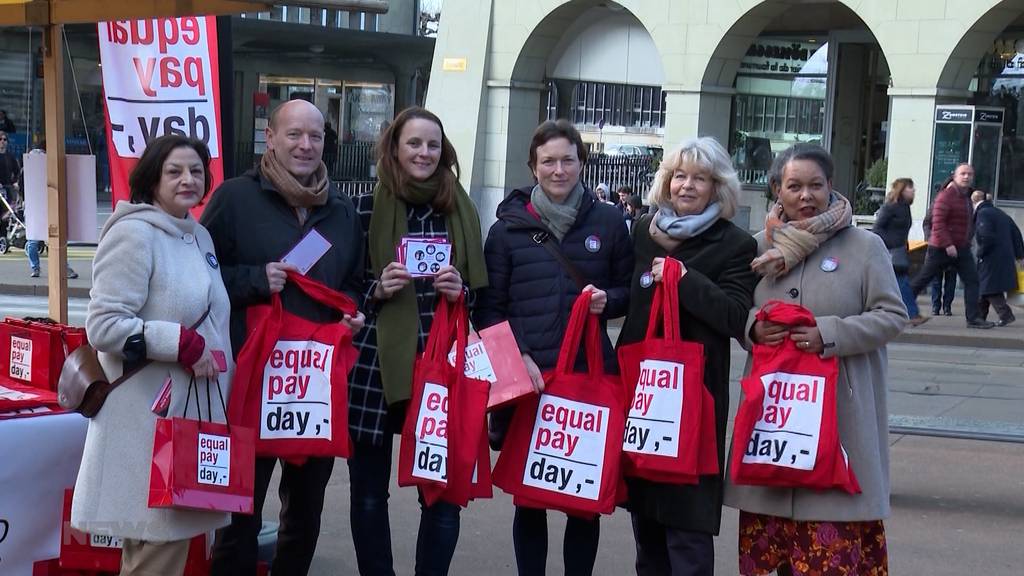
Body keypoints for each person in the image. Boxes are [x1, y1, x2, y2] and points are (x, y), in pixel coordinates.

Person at [725, 143, 907, 576]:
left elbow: (892, 315)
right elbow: (732, 309)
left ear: (831, 188)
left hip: (839, 425)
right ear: (777, 190)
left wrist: (830, 333)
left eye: (815, 185)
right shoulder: (755, 248)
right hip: (776, 423)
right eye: (794, 186)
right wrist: (750, 327)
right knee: (777, 560)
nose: (805, 196)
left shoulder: (865, 247)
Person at [202, 99, 366, 576]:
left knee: (305, 514)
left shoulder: (341, 209)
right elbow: (201, 278)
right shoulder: (234, 198)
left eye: (315, 136)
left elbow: (354, 282)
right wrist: (255, 279)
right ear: (269, 137)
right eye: (294, 134)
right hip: (251, 380)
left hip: (313, 386)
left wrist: (352, 314)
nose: (306, 145)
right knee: (239, 513)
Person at [474, 119, 632, 576]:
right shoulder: (507, 231)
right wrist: (517, 357)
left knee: (583, 498)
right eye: (548, 161)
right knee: (532, 496)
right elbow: (489, 309)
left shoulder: (608, 221)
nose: (558, 170)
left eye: (567, 160)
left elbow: (627, 290)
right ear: (533, 166)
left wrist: (611, 300)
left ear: (582, 163)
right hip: (532, 381)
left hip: (589, 376)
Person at [71, 135, 233, 576]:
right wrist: (177, 341)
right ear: (151, 179)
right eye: (175, 171)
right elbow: (103, 325)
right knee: (155, 551)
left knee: (160, 551)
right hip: (145, 422)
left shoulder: (198, 236)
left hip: (186, 417)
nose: (188, 180)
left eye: (196, 171)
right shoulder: (133, 234)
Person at [347, 106, 488, 576]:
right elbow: (345, 290)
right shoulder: (365, 207)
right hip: (375, 369)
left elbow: (482, 298)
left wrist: (460, 290)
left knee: (443, 496)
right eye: (414, 143)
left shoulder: (460, 209)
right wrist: (376, 289)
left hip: (443, 368)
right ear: (394, 148)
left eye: (432, 144)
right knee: (369, 494)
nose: (424, 153)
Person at [617, 137, 757, 575]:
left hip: (694, 399)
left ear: (718, 188)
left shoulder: (735, 245)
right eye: (680, 175)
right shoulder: (644, 230)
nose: (687, 186)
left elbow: (735, 317)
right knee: (647, 528)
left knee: (688, 530)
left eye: (701, 178)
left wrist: (685, 279)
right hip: (644, 397)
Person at [909, 164, 993, 328]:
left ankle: (973, 318)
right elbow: (937, 222)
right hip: (941, 248)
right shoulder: (946, 196)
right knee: (923, 279)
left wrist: (966, 241)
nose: (966, 177)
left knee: (972, 281)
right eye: (963, 174)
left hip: (961, 248)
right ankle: (897, 307)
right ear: (955, 176)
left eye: (969, 174)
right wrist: (948, 244)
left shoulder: (965, 197)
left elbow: (968, 223)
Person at [873, 177, 928, 326]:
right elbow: (877, 229)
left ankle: (899, 313)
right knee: (902, 282)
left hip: (900, 251)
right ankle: (912, 314)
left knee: (897, 284)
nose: (914, 190)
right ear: (902, 190)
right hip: (892, 252)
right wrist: (893, 243)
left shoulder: (904, 207)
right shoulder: (891, 207)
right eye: (911, 188)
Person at [971, 190, 1024, 326]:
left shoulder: (982, 214)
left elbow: (986, 236)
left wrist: (980, 253)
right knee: (984, 286)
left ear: (974, 201)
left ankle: (1005, 314)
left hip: (990, 257)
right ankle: (979, 316)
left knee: (988, 287)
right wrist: (1019, 256)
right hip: (1003, 257)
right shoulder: (1001, 214)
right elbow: (1016, 234)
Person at [921, 190, 957, 316]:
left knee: (950, 280)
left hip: (953, 247)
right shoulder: (935, 205)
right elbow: (926, 223)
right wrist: (930, 238)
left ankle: (947, 306)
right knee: (936, 279)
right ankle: (936, 306)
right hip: (936, 247)